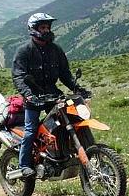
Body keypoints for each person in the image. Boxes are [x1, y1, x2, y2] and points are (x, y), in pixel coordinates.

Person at [11, 12, 88, 178]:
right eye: (42, 27)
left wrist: (77, 88)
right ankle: (24, 165)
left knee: (69, 121)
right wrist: (28, 94)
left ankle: (63, 154)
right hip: (34, 98)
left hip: (53, 95)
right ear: (34, 29)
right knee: (31, 130)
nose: (46, 30)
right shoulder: (24, 51)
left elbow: (65, 74)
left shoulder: (56, 50)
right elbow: (18, 76)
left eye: (47, 27)